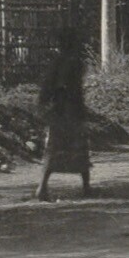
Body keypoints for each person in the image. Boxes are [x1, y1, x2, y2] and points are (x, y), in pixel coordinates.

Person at [35, 28, 92, 201]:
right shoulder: (73, 63)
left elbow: (47, 87)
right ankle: (86, 187)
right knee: (78, 148)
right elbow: (64, 87)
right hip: (69, 110)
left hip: (61, 110)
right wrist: (73, 106)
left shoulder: (58, 62)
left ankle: (42, 187)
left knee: (55, 148)